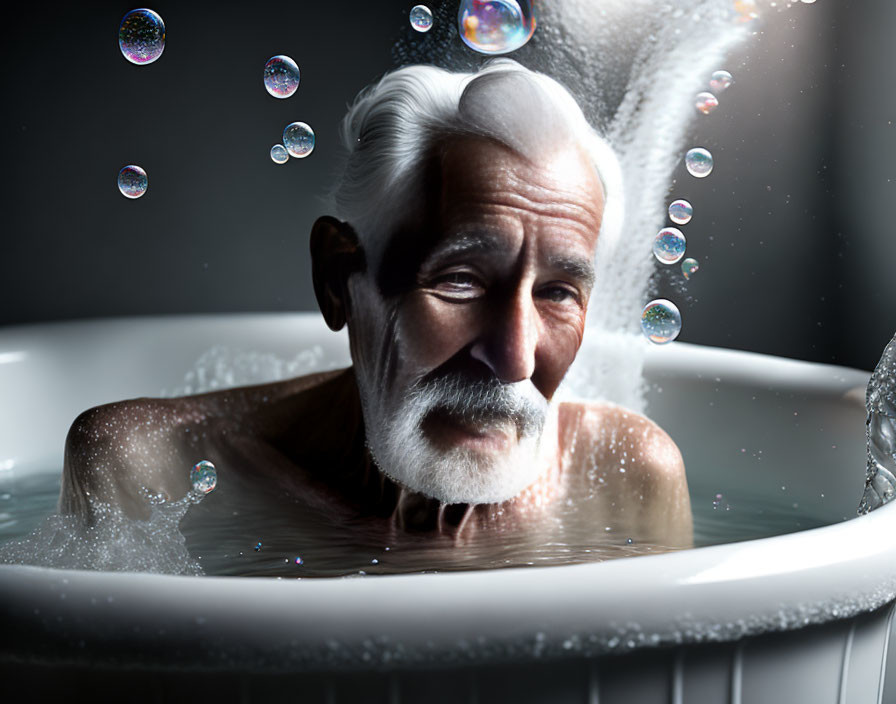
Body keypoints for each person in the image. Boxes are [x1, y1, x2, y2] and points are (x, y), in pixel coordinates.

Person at [59, 60, 692, 550]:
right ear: (338, 277)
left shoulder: (631, 481)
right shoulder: (143, 471)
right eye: (462, 280)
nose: (514, 357)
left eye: (556, 292)